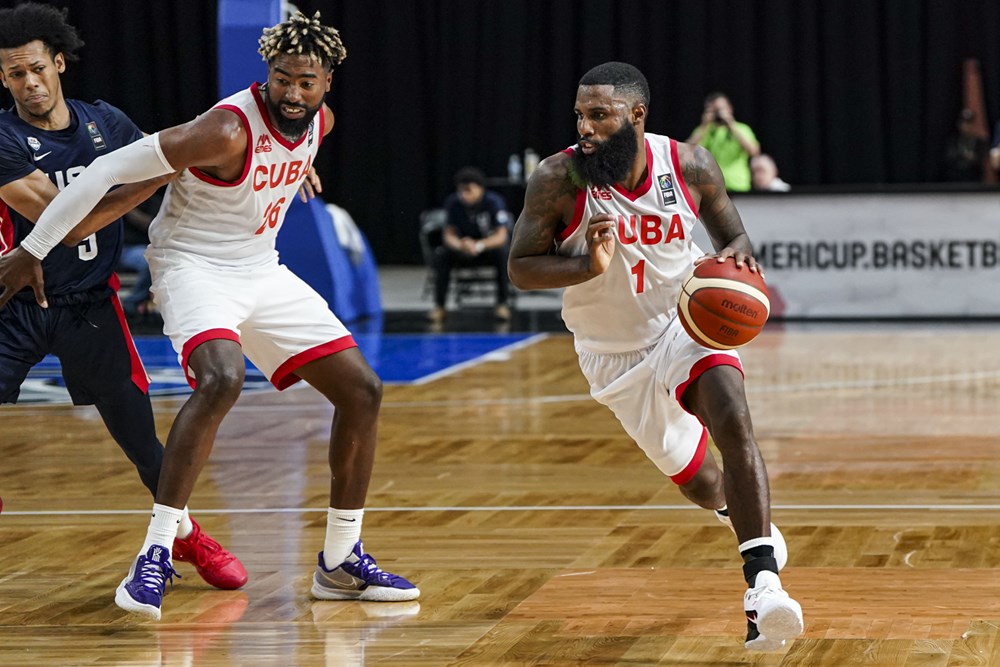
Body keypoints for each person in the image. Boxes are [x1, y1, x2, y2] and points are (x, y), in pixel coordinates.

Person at [0, 10, 419, 619]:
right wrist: (32, 249)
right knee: (220, 377)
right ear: (266, 74)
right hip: (192, 265)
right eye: (282, 80)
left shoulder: (318, 122)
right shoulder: (223, 129)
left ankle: (339, 560)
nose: (293, 94)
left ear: (328, 80)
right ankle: (157, 553)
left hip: (260, 267)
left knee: (362, 390)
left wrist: (299, 164)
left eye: (307, 82)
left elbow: (290, 148)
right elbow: (108, 171)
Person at [508, 62, 803, 651]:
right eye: (580, 116)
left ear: (636, 115)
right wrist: (582, 267)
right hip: (612, 354)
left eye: (600, 116)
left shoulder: (688, 164)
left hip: (684, 324)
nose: (585, 129)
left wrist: (740, 271)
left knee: (733, 414)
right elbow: (519, 268)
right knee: (702, 485)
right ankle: (744, 520)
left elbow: (735, 238)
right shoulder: (558, 178)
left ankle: (762, 586)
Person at [0, 1, 246, 591]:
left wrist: (285, 159)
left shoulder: (103, 121)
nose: (29, 82)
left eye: (36, 68)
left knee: (143, 441)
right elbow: (67, 222)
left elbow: (182, 154)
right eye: (14, 74)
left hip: (89, 304)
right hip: (16, 306)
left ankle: (184, 537)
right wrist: (157, 173)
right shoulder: (3, 138)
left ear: (58, 63)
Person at [429, 166, 513, 323]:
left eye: (468, 190)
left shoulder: (494, 202)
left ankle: (502, 304)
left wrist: (479, 245)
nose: (464, 195)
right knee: (441, 255)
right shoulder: (453, 203)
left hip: (486, 249)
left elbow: (501, 236)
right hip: (463, 249)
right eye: (461, 191)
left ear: (480, 189)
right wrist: (461, 245)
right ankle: (439, 306)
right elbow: (448, 235)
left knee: (503, 253)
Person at [686, 92, 760, 192]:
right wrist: (704, 125)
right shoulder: (704, 131)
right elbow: (687, 151)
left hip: (737, 185)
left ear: (729, 108)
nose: (718, 114)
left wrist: (731, 124)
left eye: (720, 109)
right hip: (711, 187)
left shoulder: (741, 129)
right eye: (714, 110)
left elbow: (753, 151)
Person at [942, 108, 989, 182]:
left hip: (975, 179)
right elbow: (949, 157)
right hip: (956, 178)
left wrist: (974, 157)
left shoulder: (979, 141)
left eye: (969, 123)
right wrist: (963, 156)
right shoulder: (954, 141)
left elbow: (984, 155)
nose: (967, 126)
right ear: (959, 125)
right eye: (964, 123)